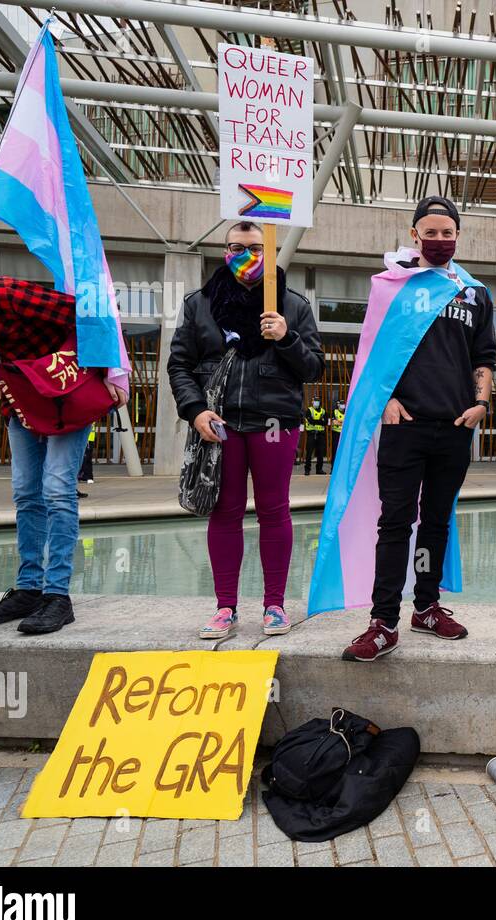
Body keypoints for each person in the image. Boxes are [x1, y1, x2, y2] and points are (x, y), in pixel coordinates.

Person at [316, 196, 495, 662]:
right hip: (405, 426)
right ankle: (383, 621)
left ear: (458, 235)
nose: (439, 240)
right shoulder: (391, 287)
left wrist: (481, 403)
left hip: (455, 427)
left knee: (436, 521)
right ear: (414, 235)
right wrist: (387, 399)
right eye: (430, 232)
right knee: (395, 522)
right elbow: (375, 353)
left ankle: (427, 606)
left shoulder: (474, 292)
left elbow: (484, 357)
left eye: (447, 232)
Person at [0, 262, 127, 635]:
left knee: (57, 490)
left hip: (67, 395)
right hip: (21, 401)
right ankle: (29, 589)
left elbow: (90, 316)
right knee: (26, 494)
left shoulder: (0, 295)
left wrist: (114, 372)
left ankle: (57, 596)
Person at [168, 221, 323, 639]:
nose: (246, 255)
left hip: (274, 421)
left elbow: (313, 367)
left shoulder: (293, 306)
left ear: (271, 254)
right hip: (220, 422)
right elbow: (180, 364)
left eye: (256, 248)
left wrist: (286, 337)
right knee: (225, 510)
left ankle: (275, 604)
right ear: (224, 250)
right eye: (236, 246)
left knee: (275, 510)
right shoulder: (199, 304)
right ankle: (225, 607)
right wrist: (195, 410)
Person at [303, 397, 329, 475]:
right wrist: (320, 421)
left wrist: (316, 421)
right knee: (309, 452)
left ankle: (319, 469)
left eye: (317, 401)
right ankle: (307, 470)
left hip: (321, 434)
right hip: (311, 433)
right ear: (312, 402)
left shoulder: (323, 411)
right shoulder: (309, 410)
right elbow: (310, 421)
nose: (316, 402)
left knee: (320, 453)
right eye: (315, 401)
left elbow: (325, 422)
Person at [330, 399, 345, 468]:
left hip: (344, 435)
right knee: (335, 451)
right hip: (336, 434)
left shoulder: (347, 412)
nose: (342, 405)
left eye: (343, 404)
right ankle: (333, 468)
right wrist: (342, 422)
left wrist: (339, 422)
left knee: (343, 452)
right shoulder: (335, 412)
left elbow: (348, 423)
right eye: (341, 404)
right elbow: (334, 422)